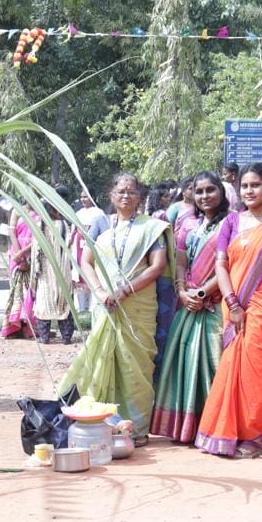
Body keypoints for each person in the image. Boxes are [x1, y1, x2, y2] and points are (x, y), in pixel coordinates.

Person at [60, 172, 169, 440]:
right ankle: (102, 425)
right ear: (111, 195)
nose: (126, 196)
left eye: (131, 191)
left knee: (136, 367)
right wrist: (99, 291)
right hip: (105, 305)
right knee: (101, 360)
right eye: (121, 191)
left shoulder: (152, 228)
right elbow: (86, 261)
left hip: (137, 306)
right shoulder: (101, 225)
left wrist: (125, 290)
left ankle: (137, 430)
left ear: (140, 196)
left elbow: (158, 266)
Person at [194, 163, 262, 457]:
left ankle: (255, 436)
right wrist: (233, 303)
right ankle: (227, 432)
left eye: (255, 185)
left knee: (256, 370)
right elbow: (221, 265)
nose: (249, 190)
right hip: (232, 301)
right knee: (231, 366)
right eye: (245, 186)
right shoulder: (231, 222)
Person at [151, 172, 227, 442]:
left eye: (210, 190)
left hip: (216, 304)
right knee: (182, 363)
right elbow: (181, 263)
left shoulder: (231, 223)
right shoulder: (188, 225)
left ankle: (214, 426)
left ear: (221, 192)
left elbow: (229, 265)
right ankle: (184, 428)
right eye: (199, 191)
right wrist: (183, 292)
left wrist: (203, 292)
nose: (205, 196)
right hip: (188, 304)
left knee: (216, 363)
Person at [31, 185, 77, 343]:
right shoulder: (64, 225)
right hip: (63, 269)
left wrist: (35, 271)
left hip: (44, 270)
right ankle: (66, 337)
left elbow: (36, 251)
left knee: (44, 302)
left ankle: (44, 337)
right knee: (64, 302)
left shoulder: (40, 225)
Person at [1, 204, 37, 339]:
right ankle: (14, 328)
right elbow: (12, 233)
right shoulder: (17, 210)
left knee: (31, 292)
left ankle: (30, 328)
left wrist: (24, 253)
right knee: (17, 290)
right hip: (16, 254)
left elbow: (40, 237)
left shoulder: (41, 210)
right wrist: (20, 257)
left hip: (34, 254)